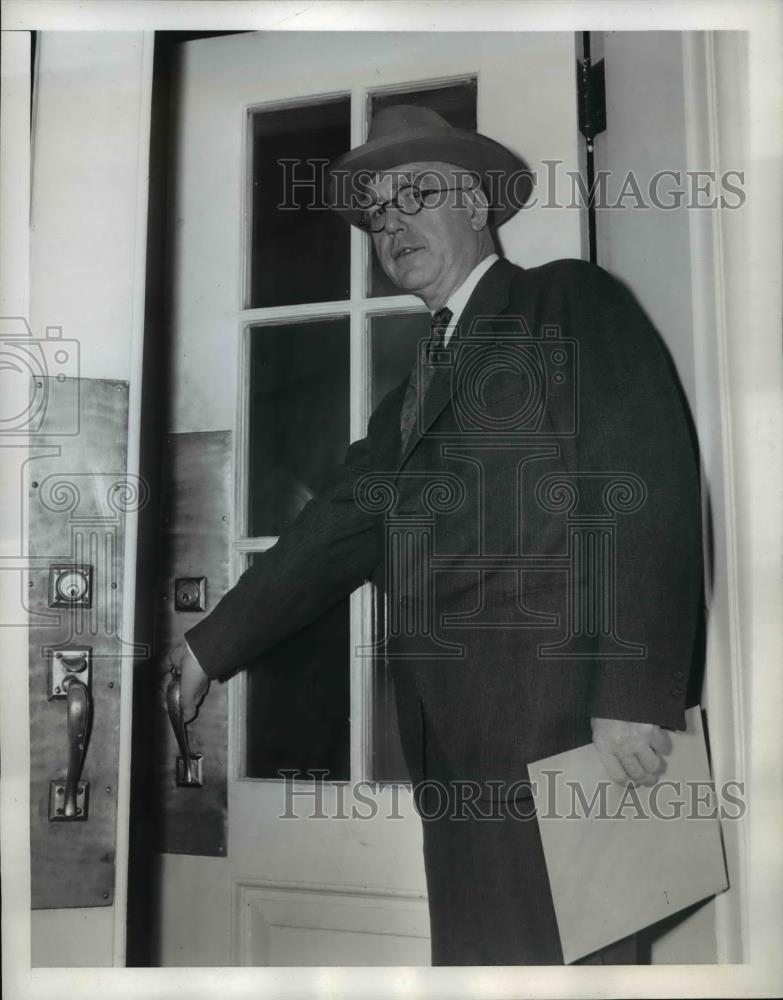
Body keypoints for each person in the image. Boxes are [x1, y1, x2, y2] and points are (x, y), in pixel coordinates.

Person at [168, 105, 703, 964]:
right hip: (452, 750)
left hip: (565, 735)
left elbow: (646, 486)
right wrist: (207, 650)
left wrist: (631, 696)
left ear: (478, 205)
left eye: (414, 193)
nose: (390, 223)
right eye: (376, 211)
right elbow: (334, 526)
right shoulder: (410, 394)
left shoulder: (564, 301)